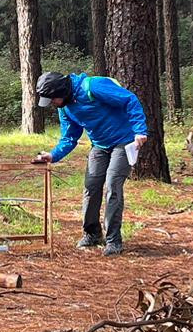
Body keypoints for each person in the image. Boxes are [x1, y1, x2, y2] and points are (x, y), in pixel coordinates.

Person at [32, 71, 149, 256]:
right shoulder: (65, 108)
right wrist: (53, 155)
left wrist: (139, 130)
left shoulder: (92, 87)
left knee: (113, 185)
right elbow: (69, 137)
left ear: (62, 91)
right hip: (99, 145)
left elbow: (129, 100)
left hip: (124, 142)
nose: (52, 104)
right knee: (91, 186)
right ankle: (92, 234)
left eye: (53, 99)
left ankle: (114, 240)